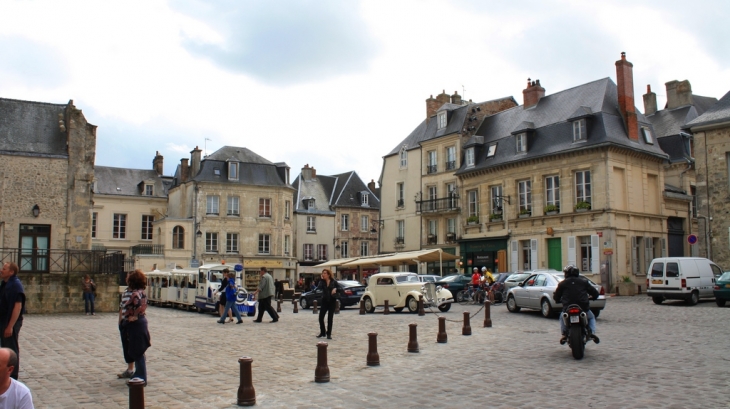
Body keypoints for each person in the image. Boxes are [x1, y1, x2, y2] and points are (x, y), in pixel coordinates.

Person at [553, 265, 600, 345]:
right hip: (583, 307)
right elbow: (595, 293)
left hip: (567, 307)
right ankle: (591, 332)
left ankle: (564, 334)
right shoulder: (584, 282)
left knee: (562, 317)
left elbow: (556, 296)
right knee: (591, 317)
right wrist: (593, 297)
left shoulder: (562, 284)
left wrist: (557, 300)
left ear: (567, 273)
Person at [120, 269, 151, 386]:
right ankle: (139, 374)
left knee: (137, 352)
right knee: (138, 351)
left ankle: (141, 377)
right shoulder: (142, 292)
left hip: (135, 324)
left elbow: (135, 307)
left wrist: (134, 316)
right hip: (141, 322)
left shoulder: (135, 294)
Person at [0, 263, 25, 380]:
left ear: (11, 272)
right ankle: (5, 373)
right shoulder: (5, 284)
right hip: (3, 320)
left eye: (4, 269)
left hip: (10, 322)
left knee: (11, 350)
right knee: (4, 348)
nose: (1, 270)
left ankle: (13, 376)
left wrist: (10, 326)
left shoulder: (15, 285)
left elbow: (17, 307)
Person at [117, 272, 134, 379]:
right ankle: (129, 368)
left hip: (131, 323)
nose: (126, 278)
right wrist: (120, 320)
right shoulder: (125, 291)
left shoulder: (136, 293)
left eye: (128, 277)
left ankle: (132, 369)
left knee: (132, 346)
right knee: (126, 346)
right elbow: (121, 307)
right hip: (124, 321)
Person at [316, 269, 339, 340]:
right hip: (324, 301)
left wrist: (335, 289)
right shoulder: (322, 282)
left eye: (325, 273)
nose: (323, 274)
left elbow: (340, 288)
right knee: (320, 318)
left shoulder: (334, 281)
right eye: (323, 273)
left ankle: (329, 334)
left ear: (328, 274)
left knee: (330, 318)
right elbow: (318, 289)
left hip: (332, 301)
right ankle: (323, 332)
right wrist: (321, 279)